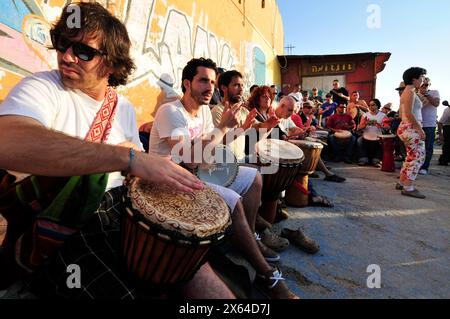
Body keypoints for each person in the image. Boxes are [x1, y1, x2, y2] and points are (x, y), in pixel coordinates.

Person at [0, 2, 231, 299]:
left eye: (84, 51)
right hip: (65, 224)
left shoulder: (121, 107)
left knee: (193, 265)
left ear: (111, 63)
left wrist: (140, 162)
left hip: (122, 211)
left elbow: (133, 159)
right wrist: (128, 158)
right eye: (63, 44)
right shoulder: (42, 88)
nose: (67, 56)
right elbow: (7, 142)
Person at [149, 58, 299, 299]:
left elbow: (214, 150)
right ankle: (266, 274)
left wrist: (231, 130)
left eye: (211, 81)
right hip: (170, 180)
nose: (209, 87)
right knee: (233, 200)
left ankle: (249, 236)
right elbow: (190, 157)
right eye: (202, 81)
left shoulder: (205, 114)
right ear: (187, 83)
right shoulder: (171, 111)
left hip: (197, 171)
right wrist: (222, 128)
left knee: (254, 178)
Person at [211, 70, 290, 255]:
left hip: (241, 158)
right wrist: (243, 127)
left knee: (270, 166)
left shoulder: (244, 110)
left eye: (242, 85)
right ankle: (254, 231)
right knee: (256, 174)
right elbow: (219, 143)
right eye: (236, 85)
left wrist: (269, 125)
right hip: (224, 163)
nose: (240, 89)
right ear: (224, 88)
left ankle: (261, 218)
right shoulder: (218, 111)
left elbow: (257, 131)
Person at [396, 67, 427, 198]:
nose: (422, 80)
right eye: (421, 78)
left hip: (407, 127)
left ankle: (402, 182)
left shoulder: (408, 92)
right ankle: (408, 187)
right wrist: (419, 129)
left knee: (411, 157)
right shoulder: (409, 92)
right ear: (414, 79)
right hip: (411, 127)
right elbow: (408, 113)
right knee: (418, 157)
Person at [417, 77, 440, 175]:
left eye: (426, 84)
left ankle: (425, 167)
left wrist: (426, 94)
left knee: (428, 147)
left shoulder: (434, 92)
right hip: (418, 123)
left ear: (429, 85)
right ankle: (416, 165)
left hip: (430, 124)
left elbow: (436, 103)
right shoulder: (415, 94)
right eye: (423, 84)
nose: (424, 86)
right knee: (417, 146)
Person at [356, 98, 386, 167]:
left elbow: (387, 128)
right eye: (369, 105)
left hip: (378, 139)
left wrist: (381, 126)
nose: (371, 107)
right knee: (359, 140)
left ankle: (376, 160)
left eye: (373, 105)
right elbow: (359, 128)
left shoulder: (383, 116)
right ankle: (363, 159)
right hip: (366, 138)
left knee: (384, 142)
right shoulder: (365, 115)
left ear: (377, 105)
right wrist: (365, 124)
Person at [438, 101, 450, 166]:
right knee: (447, 145)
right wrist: (440, 135)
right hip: (448, 127)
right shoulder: (447, 110)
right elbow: (440, 123)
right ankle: (444, 159)